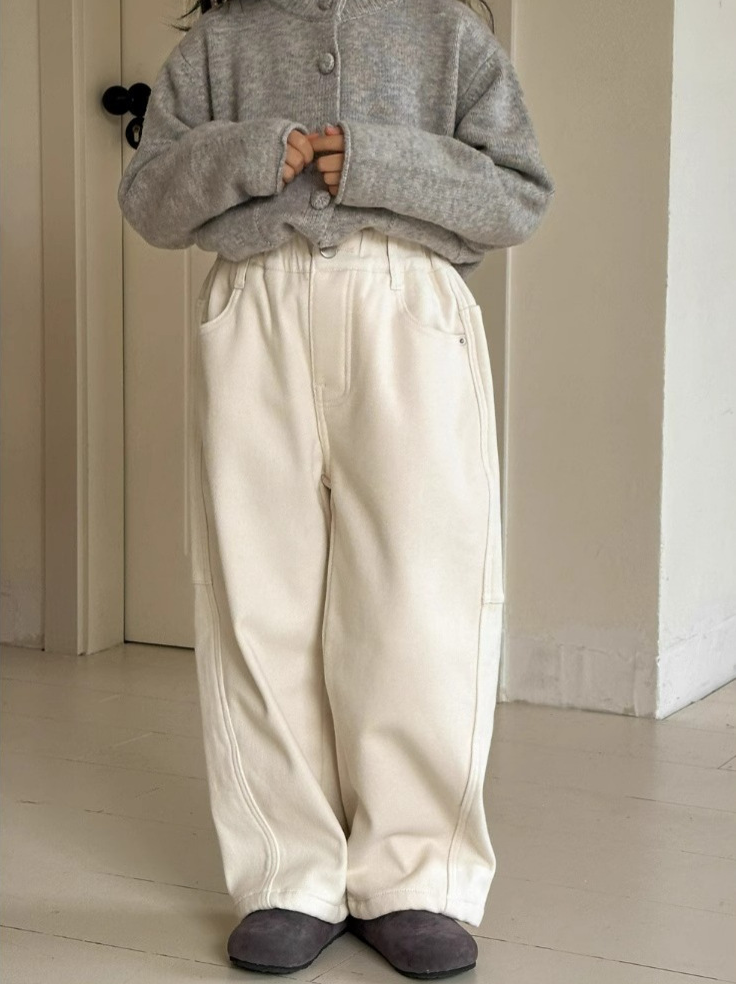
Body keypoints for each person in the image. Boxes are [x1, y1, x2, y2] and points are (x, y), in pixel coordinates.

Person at [117, 0, 554, 977]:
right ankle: (288, 874)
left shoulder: (447, 35)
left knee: (418, 599)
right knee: (257, 596)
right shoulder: (220, 44)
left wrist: (376, 161)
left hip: (408, 310)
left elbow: (519, 196)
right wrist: (250, 153)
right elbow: (147, 200)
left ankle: (414, 876)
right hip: (255, 307)